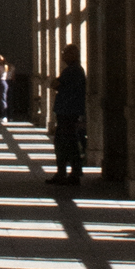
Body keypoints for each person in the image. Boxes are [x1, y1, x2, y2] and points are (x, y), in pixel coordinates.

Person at [47, 44, 87, 186]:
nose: (63, 56)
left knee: (65, 142)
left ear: (73, 55)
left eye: (65, 53)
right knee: (69, 142)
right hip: (69, 111)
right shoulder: (75, 70)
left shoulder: (72, 71)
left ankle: (66, 172)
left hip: (67, 112)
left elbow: (55, 84)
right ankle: (71, 172)